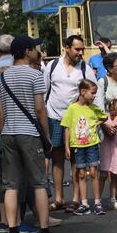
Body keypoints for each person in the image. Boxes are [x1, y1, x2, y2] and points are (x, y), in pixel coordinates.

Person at [0, 36, 62, 233]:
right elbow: (40, 109)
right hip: (29, 134)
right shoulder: (34, 75)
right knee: (39, 183)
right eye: (34, 48)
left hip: (8, 134)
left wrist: (5, 131)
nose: (37, 51)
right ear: (26, 52)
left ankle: (12, 231)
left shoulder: (1, 78)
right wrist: (46, 136)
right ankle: (44, 230)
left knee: (11, 184)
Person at [44, 35, 101, 213]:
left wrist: (99, 120)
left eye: (82, 49)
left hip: (78, 122)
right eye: (77, 49)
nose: (80, 52)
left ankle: (76, 198)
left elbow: (95, 93)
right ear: (66, 48)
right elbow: (45, 90)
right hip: (54, 117)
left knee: (78, 160)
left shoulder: (84, 68)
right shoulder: (52, 66)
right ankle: (59, 198)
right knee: (57, 158)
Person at [61, 79, 107, 216]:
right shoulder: (72, 108)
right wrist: (67, 147)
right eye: (92, 93)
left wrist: (95, 124)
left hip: (91, 144)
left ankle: (98, 202)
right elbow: (67, 128)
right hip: (78, 146)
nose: (94, 96)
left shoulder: (93, 108)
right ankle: (84, 203)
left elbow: (104, 117)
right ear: (83, 92)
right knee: (81, 173)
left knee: (93, 172)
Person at [96, 53, 117, 209]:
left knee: (116, 165)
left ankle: (113, 197)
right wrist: (105, 125)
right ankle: (97, 200)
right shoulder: (102, 83)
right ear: (109, 69)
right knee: (103, 167)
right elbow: (98, 108)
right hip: (106, 128)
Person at [100, 98, 117, 211]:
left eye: (115, 111)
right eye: (111, 111)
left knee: (115, 175)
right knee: (103, 175)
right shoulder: (106, 119)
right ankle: (97, 199)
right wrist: (115, 120)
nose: (113, 113)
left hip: (116, 150)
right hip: (106, 149)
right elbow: (111, 130)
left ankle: (112, 198)